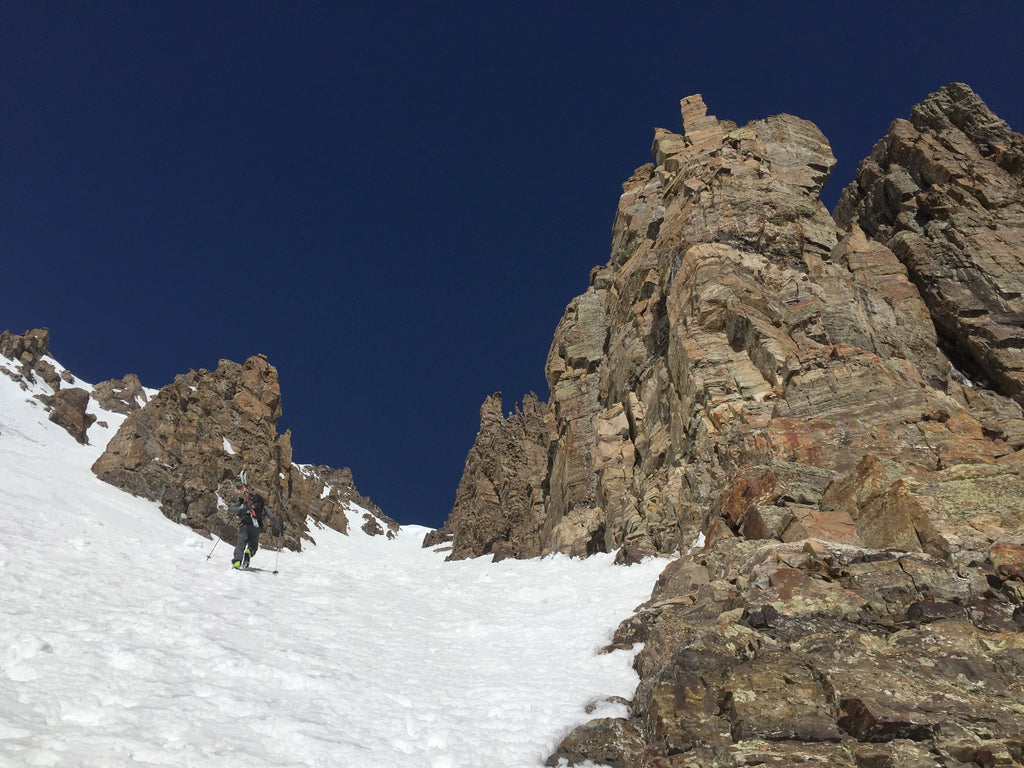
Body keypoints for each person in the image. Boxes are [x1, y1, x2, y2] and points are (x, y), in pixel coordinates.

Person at [228, 481, 284, 569]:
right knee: (253, 547)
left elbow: (230, 509)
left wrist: (240, 505)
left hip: (244, 525)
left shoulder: (245, 504)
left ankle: (237, 562)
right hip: (256, 527)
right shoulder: (263, 508)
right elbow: (272, 517)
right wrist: (280, 528)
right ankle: (249, 552)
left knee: (240, 544)